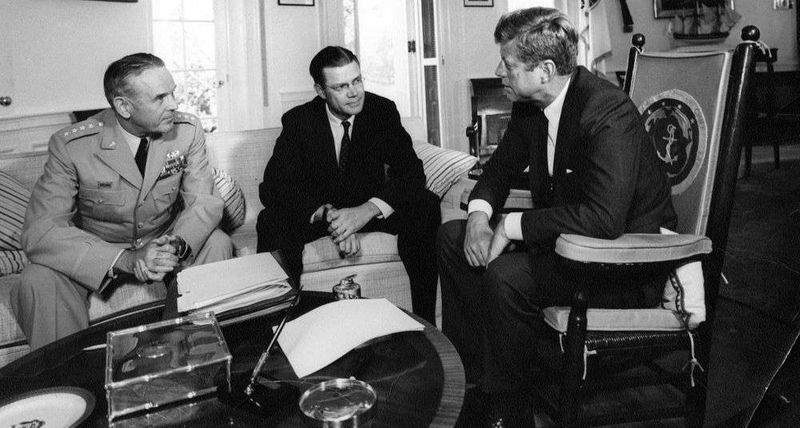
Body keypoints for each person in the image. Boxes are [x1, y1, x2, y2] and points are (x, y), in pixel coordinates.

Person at [437, 8, 678, 426]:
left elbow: (604, 219)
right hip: (570, 245)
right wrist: (479, 217)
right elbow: (499, 170)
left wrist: (512, 226)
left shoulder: (606, 111)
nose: (499, 71)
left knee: (507, 275)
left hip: (622, 266)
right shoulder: (531, 106)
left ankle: (509, 409)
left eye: (508, 64)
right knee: (452, 239)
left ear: (545, 69)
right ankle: (478, 379)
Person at [11, 53, 233, 350]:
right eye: (160, 98)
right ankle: (69, 381)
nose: (175, 105)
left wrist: (176, 244)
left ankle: (192, 354)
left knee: (217, 242)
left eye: (173, 93)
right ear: (124, 106)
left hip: (164, 239)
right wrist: (126, 260)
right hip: (100, 250)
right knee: (36, 278)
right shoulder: (72, 145)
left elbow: (204, 202)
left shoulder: (187, 131)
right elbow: (41, 230)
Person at [256, 46, 440, 324]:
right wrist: (326, 214)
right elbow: (273, 188)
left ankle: (425, 322)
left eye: (357, 81)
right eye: (341, 87)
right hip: (322, 215)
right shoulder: (299, 121)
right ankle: (279, 327)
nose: (354, 92)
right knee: (271, 220)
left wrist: (366, 211)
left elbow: (412, 173)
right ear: (320, 91)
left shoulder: (381, 111)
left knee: (425, 204)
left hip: (367, 212)